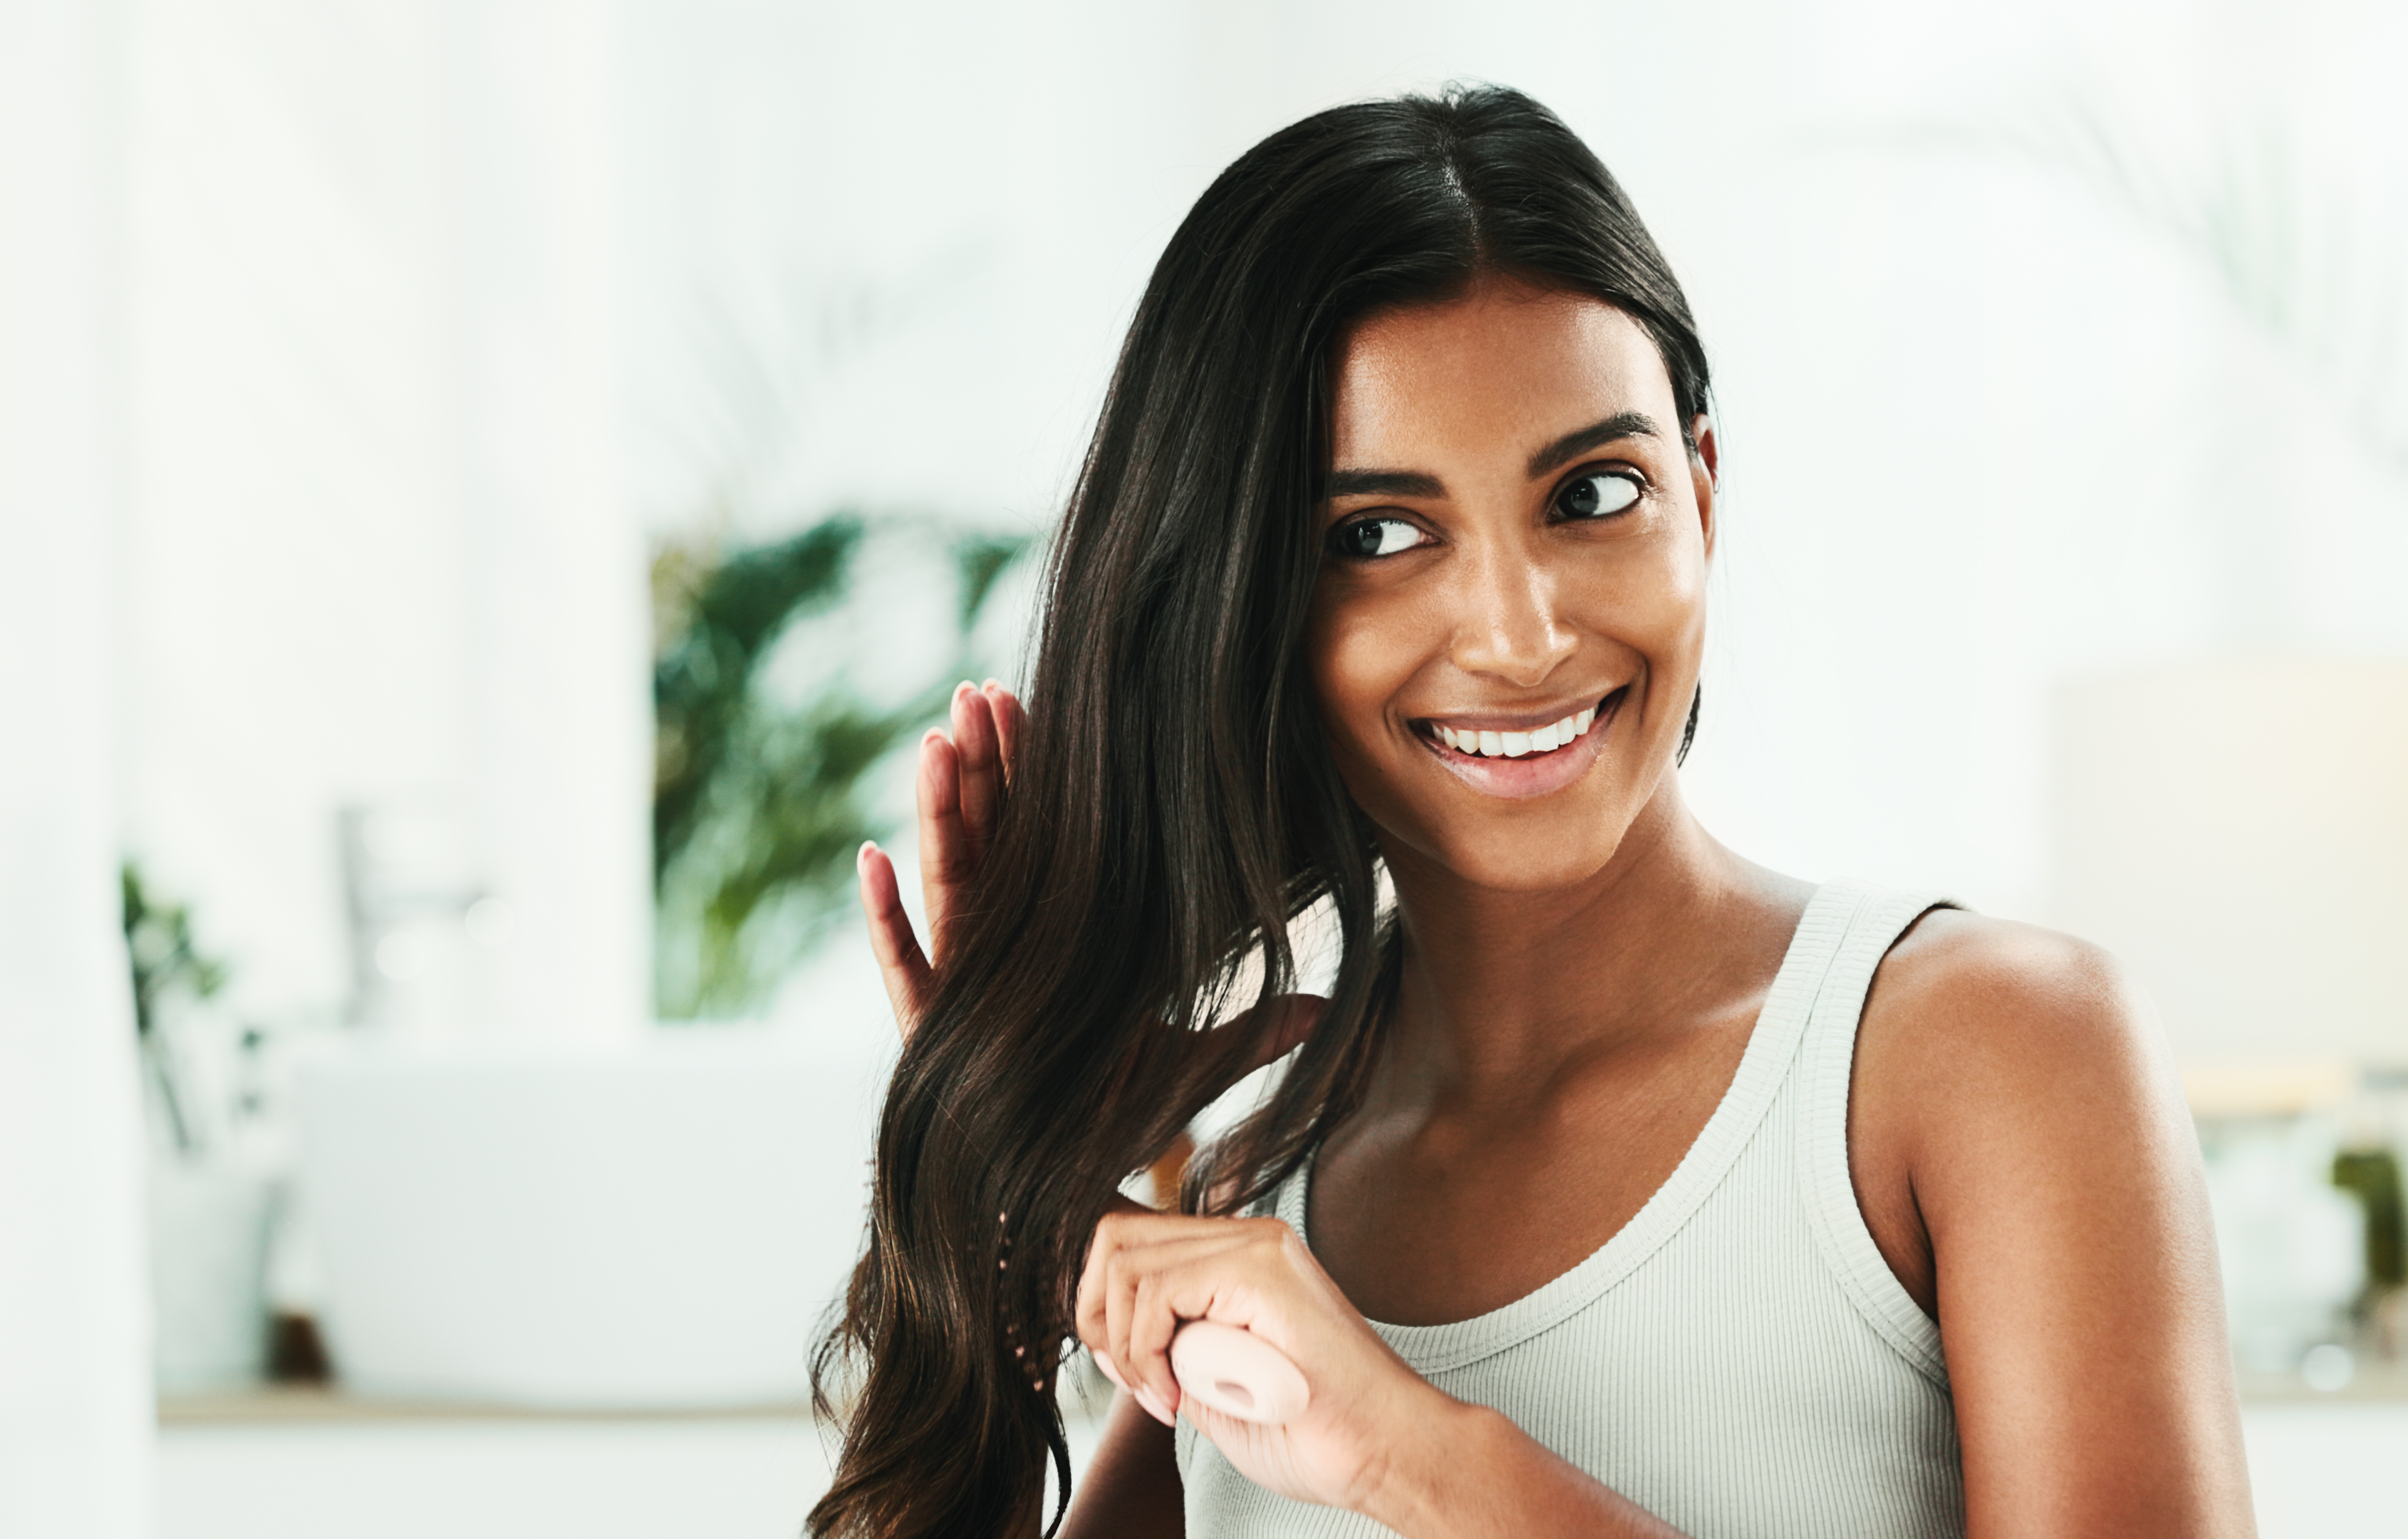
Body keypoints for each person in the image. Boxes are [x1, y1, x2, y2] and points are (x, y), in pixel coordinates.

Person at [812, 85, 2251, 1539]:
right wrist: (992, 1190)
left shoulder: (1984, 1057)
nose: (1517, 634)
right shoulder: (1259, 1178)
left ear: (1701, 491)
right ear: (1242, 600)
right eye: (1374, 536)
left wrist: (1410, 1458)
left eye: (1592, 493)